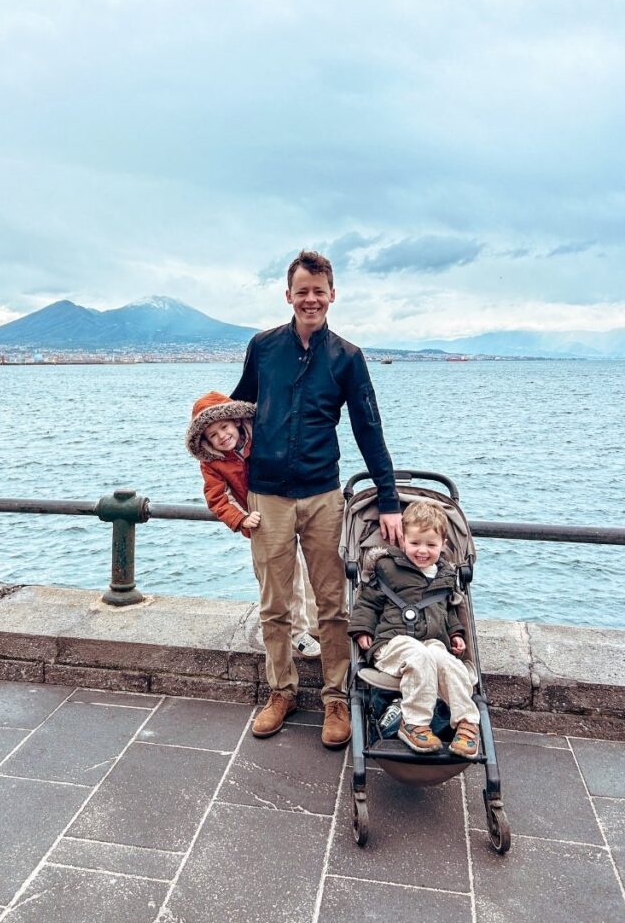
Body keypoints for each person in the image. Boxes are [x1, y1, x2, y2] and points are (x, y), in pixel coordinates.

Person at [231, 249, 403, 747]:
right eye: (302, 291)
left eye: (318, 291)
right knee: (274, 603)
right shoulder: (263, 347)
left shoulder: (347, 358)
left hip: (324, 495)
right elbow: (236, 411)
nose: (311, 299)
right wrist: (220, 476)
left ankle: (334, 698)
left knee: (332, 603)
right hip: (267, 497)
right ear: (288, 295)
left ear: (332, 295)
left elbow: (369, 430)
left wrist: (389, 499)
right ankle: (280, 691)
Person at [185, 390, 321, 659]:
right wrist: (242, 519)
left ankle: (315, 624)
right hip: (261, 520)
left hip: (293, 506)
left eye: (224, 427)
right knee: (281, 576)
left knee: (310, 568)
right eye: (213, 435)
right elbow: (216, 498)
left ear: (235, 421)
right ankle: (296, 632)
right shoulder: (213, 462)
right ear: (205, 440)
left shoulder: (262, 436)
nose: (222, 437)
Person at [347, 500, 480, 758]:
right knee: (418, 654)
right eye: (415, 543)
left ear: (443, 545)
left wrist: (456, 633)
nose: (422, 551)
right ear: (402, 541)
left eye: (431, 545)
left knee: (448, 662)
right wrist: (362, 629)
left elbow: (448, 610)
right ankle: (415, 723)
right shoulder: (387, 568)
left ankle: (467, 722)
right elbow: (368, 602)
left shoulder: (445, 575)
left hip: (432, 641)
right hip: (392, 643)